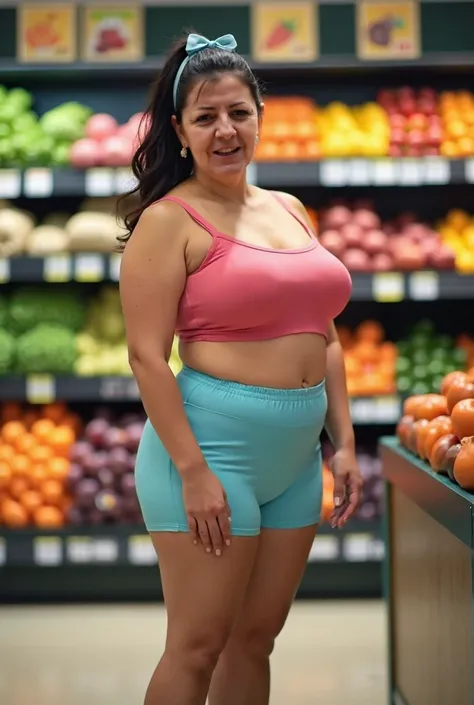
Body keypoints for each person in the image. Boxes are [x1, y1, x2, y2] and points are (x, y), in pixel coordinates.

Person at [119, 30, 362, 705]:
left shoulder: (290, 209)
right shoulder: (168, 222)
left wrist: (342, 443)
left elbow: (328, 335)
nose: (225, 130)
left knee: (256, 640)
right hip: (211, 451)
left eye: (239, 112)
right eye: (205, 117)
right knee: (196, 645)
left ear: (260, 115)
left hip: (293, 460)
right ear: (180, 129)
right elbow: (146, 356)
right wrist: (193, 471)